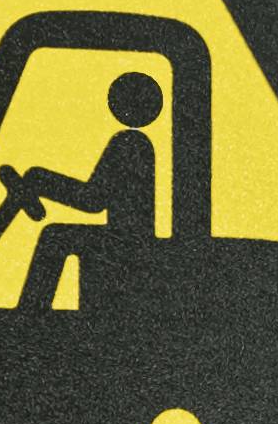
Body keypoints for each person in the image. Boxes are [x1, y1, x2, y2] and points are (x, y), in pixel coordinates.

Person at [15, 68, 168, 315]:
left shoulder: (127, 144)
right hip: (125, 233)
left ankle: (30, 314)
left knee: (55, 236)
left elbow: (93, 200)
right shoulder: (136, 143)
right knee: (57, 235)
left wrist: (43, 181)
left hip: (126, 237)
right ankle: (31, 311)